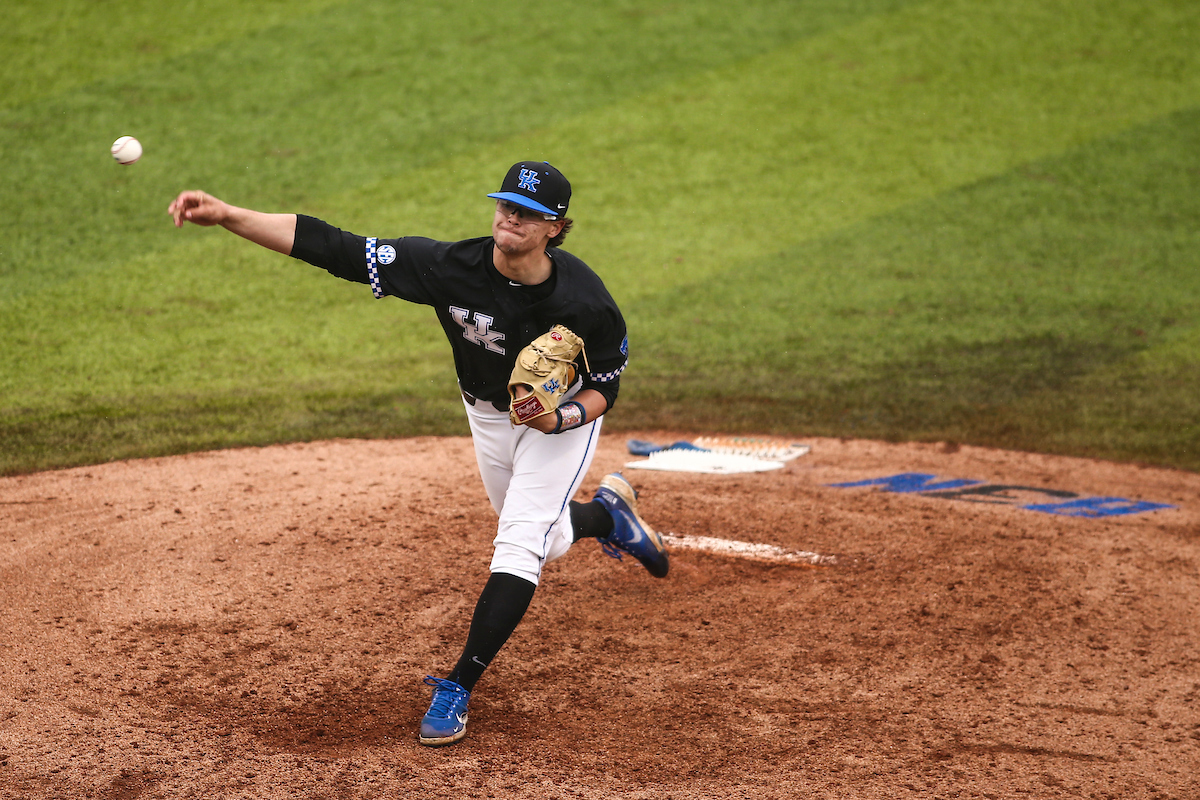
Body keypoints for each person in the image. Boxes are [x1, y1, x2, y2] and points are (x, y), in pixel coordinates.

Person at [167, 160, 669, 747]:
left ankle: (458, 685)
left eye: (528, 213)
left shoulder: (587, 303)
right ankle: (609, 515)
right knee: (545, 536)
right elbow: (336, 248)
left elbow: (604, 387)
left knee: (519, 542)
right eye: (506, 205)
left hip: (558, 427)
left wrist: (559, 418)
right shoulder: (449, 267)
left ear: (555, 227)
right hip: (487, 413)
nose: (511, 218)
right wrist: (229, 215)